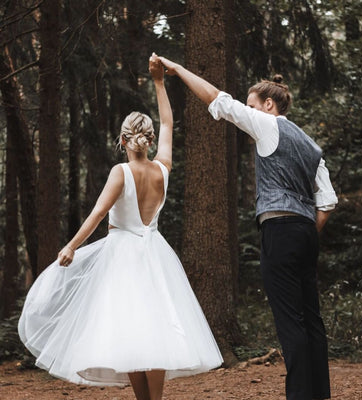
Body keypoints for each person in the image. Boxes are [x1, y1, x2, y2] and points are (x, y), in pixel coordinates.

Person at [18, 54, 223, 400]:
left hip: (124, 257)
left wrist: (71, 246)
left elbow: (98, 214)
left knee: (129, 330)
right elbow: (170, 125)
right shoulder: (163, 169)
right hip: (156, 255)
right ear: (148, 139)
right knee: (154, 331)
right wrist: (159, 83)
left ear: (124, 140)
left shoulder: (120, 172)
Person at [157, 55, 338, 400]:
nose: (248, 110)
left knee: (290, 321)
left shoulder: (267, 124)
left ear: (268, 105)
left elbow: (218, 100)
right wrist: (304, 234)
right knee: (311, 318)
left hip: (280, 230)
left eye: (252, 105)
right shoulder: (311, 145)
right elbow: (327, 202)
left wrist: (179, 70)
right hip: (305, 231)